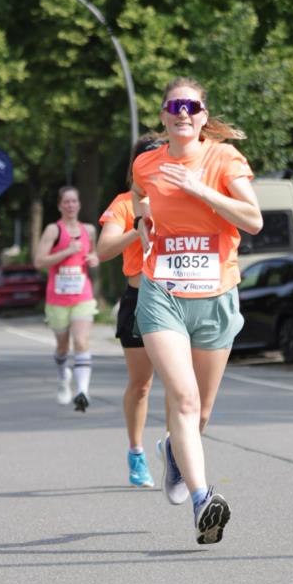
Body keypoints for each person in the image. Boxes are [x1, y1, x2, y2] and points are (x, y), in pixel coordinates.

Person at [132, 78, 262, 544]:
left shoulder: (224, 159)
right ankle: (204, 500)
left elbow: (253, 219)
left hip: (216, 297)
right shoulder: (146, 163)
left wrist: (199, 189)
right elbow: (138, 198)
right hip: (162, 295)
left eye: (192, 106)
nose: (183, 112)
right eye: (174, 105)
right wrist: (142, 224)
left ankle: (172, 449)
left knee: (201, 412)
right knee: (183, 399)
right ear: (164, 116)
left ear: (204, 116)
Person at [97, 136, 165, 488]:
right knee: (142, 385)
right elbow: (104, 248)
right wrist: (134, 232)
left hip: (178, 299)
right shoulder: (124, 204)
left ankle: (176, 448)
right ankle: (136, 451)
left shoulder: (178, 200)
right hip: (140, 300)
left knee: (184, 386)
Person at [35, 186, 99, 412]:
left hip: (82, 294)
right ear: (60, 205)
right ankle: (64, 379)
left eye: (74, 201)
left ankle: (82, 391)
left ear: (79, 204)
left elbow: (93, 254)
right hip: (57, 298)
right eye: (67, 202)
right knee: (62, 347)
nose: (71, 205)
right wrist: (67, 251)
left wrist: (94, 259)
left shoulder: (88, 230)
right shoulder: (54, 230)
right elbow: (39, 262)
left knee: (81, 341)